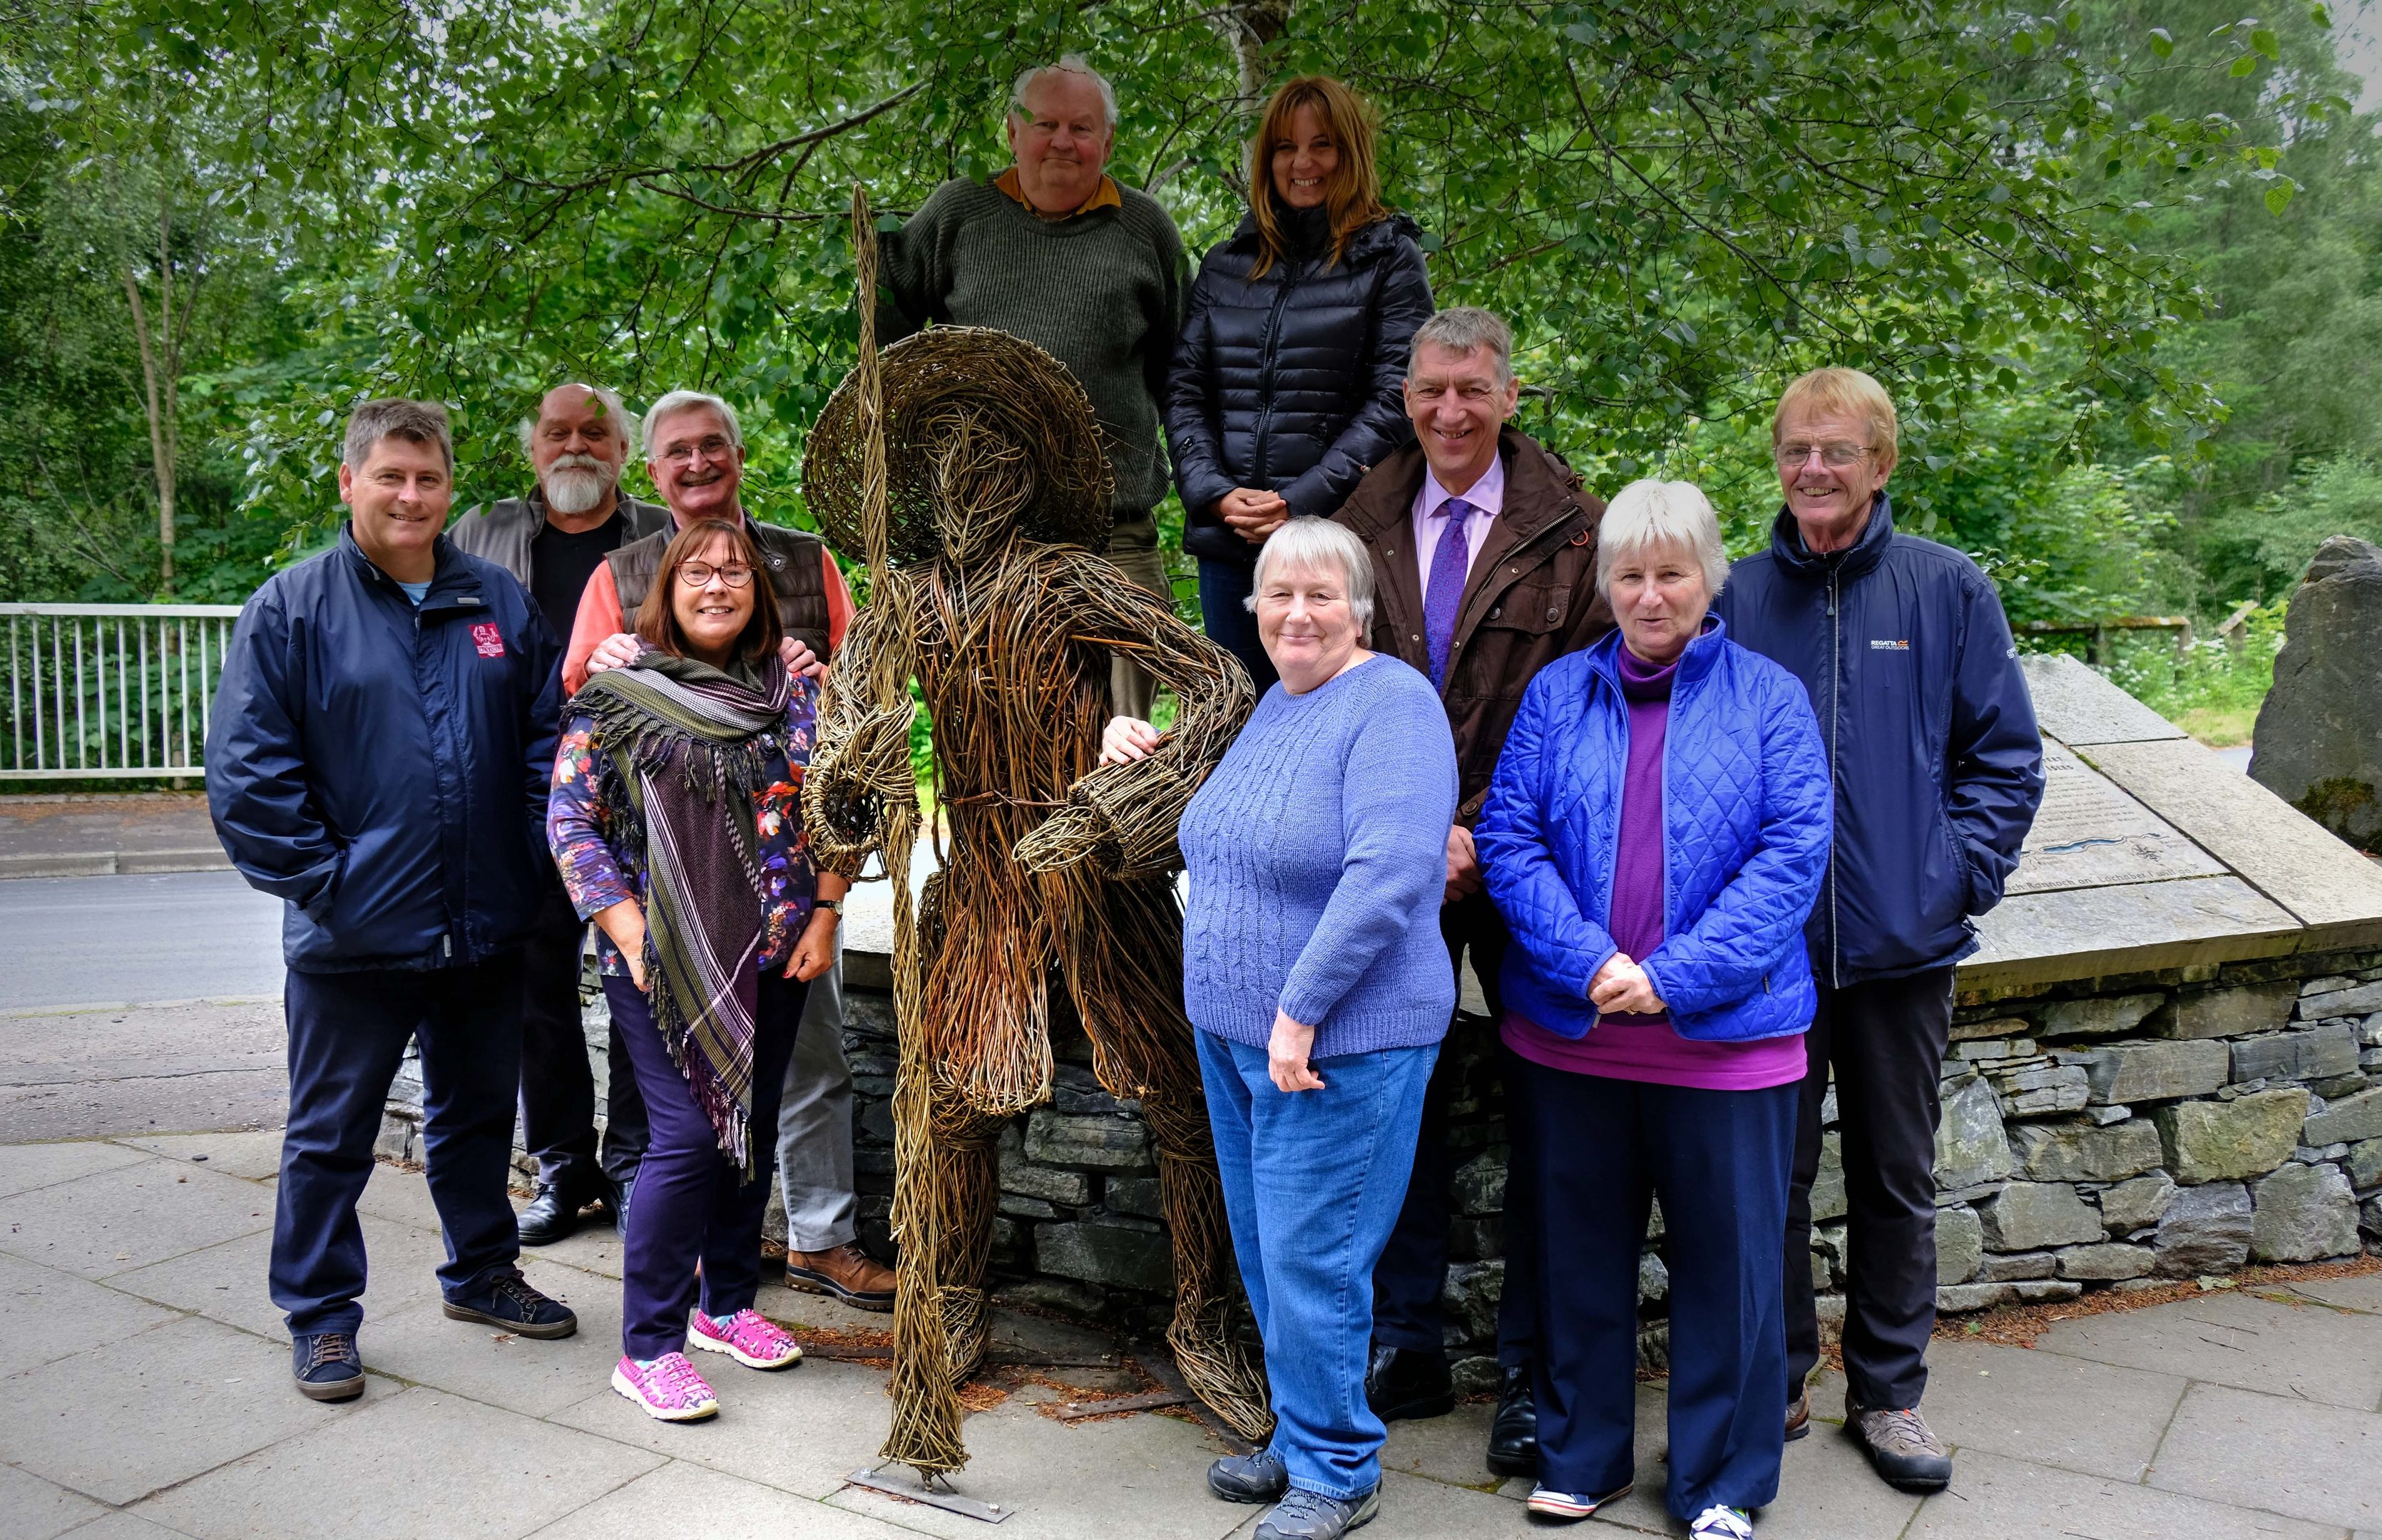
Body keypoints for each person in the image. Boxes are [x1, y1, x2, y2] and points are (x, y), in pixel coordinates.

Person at [1477, 481, 1831, 1539]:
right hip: (1574, 1033)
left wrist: (1675, 974)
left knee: (1730, 1276)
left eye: (1671, 572)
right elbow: (1509, 838)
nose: (1649, 594)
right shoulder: (1556, 697)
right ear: (1606, 584)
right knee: (1579, 1261)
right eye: (1629, 574)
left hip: (1727, 1044)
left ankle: (1721, 1483)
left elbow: (1792, 853)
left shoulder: (1770, 698)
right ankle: (1582, 1457)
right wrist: (1589, 961)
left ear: (1710, 577)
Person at [1712, 368, 2044, 1493]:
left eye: (1838, 451)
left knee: (1896, 1179)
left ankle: (1892, 1396)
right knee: (1772, 1175)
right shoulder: (1738, 599)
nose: (1815, 469)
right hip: (1769, 959)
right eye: (1798, 449)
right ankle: (1781, 1374)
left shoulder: (1947, 593)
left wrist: (1956, 882)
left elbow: (2004, 759)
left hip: (1905, 952)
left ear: (1881, 464)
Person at [207, 398, 579, 1403]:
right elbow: (250, 776)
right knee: (331, 1135)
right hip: (351, 937)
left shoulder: (498, 603)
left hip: (485, 924)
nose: (410, 496)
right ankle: (322, 1318)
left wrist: (529, 863)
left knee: (471, 1120)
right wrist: (329, 886)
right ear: (349, 483)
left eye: (428, 479)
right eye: (390, 477)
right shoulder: (292, 608)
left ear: (450, 488)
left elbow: (554, 742)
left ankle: (482, 1274)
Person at [1130, 517, 1456, 1540]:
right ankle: (1305, 1433)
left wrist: (1300, 1010)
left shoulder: (1394, 706)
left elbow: (1391, 874)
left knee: (1318, 1259)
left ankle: (1339, 1470)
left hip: (1336, 1042)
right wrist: (1134, 744)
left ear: (1359, 608)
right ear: (1255, 609)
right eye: (1278, 595)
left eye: (1321, 594)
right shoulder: (1277, 704)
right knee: (1271, 1254)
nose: (1297, 613)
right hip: (1237, 1037)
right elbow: (1224, 835)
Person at [1328, 304, 1612, 1472]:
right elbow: (1326, 680)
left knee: (1561, 1109)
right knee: (1393, 1099)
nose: (1451, 410)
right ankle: (1406, 1342)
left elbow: (1590, 712)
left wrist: (1480, 835)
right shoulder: (1360, 516)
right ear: (1408, 397)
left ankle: (1537, 1377)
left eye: (1472, 390)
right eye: (1431, 389)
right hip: (1397, 864)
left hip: (1530, 864)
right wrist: (1406, 833)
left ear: (1509, 394)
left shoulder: (1573, 528)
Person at [571, 390, 893, 1313]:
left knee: (811, 1063)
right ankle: (697, 1286)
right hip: (669, 897)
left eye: (715, 446)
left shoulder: (806, 560)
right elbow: (582, 709)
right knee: (687, 1113)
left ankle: (818, 1242)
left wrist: (828, 685)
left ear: (741, 456)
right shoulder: (619, 574)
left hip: (787, 894)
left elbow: (863, 694)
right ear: (652, 471)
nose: (699, 463)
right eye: (679, 452)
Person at [548, 518, 847, 1421]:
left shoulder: (795, 693)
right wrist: (635, 936)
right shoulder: (615, 694)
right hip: (660, 961)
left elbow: (844, 804)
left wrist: (827, 912)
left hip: (778, 950)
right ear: (666, 591)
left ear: (757, 592)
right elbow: (571, 826)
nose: (718, 587)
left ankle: (727, 1307)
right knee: (683, 1139)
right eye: (698, 574)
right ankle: (648, 1347)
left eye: (735, 574)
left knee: (745, 1130)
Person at [876, 55, 1187, 717]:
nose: (1062, 142)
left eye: (1081, 127)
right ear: (1012, 133)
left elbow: (1177, 367)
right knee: (1001, 724)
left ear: (1107, 143)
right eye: (1045, 123)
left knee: (1126, 734)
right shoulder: (960, 213)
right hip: (984, 532)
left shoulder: (1145, 228)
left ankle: (1117, 824)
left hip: (1113, 529)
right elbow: (884, 320)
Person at [449, 382, 669, 1246]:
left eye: (594, 433)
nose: (574, 446)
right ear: (531, 446)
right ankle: (562, 1166)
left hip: (644, 799)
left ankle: (630, 1168)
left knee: (641, 984)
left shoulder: (665, 535)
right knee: (537, 990)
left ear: (621, 450)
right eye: (557, 433)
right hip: (527, 795)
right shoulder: (481, 532)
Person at [1165, 74, 1433, 692]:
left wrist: (1299, 501)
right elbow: (1184, 391)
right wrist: (1212, 492)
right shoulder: (1227, 264)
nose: (1303, 162)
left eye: (1322, 145)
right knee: (1236, 723)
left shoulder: (1389, 258)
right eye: (1286, 147)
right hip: (1230, 549)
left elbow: (1396, 402)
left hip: (1335, 547)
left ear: (1351, 154)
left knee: (1328, 719)